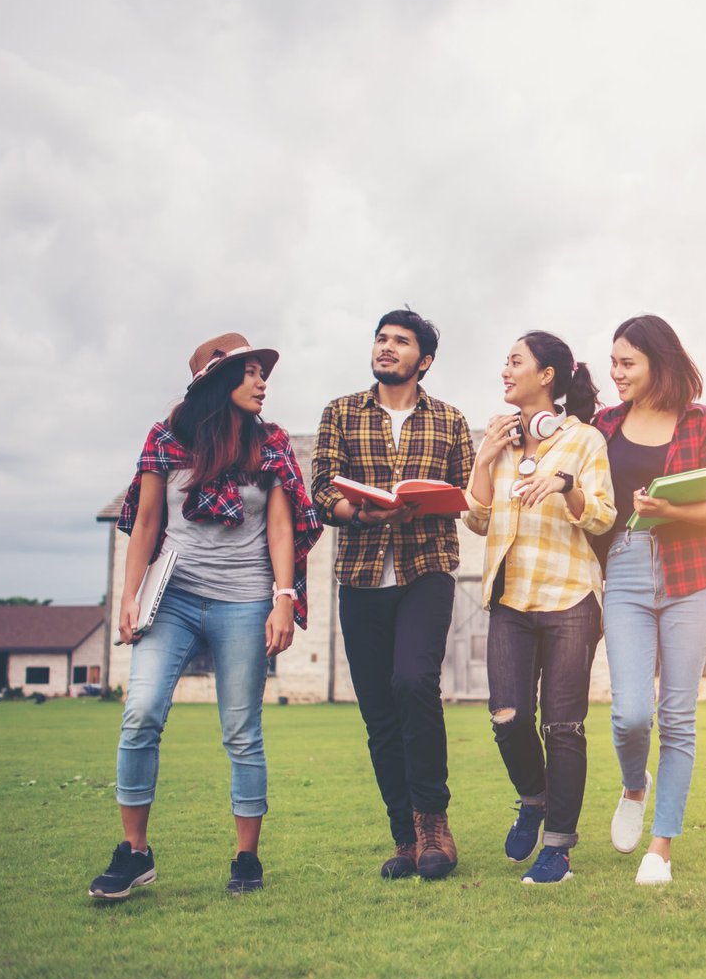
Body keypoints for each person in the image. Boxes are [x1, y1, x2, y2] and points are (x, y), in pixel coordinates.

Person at [91, 333, 322, 899]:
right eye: (249, 373)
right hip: (172, 595)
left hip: (244, 598)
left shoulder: (270, 443)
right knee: (141, 712)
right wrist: (130, 595)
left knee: (242, 731)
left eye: (263, 373)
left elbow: (280, 526)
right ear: (217, 382)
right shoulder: (168, 438)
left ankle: (246, 859)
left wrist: (283, 597)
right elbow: (146, 522)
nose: (262, 381)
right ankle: (135, 853)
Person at [312, 309, 475, 881]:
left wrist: (438, 500)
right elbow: (319, 490)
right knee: (379, 712)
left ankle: (435, 822)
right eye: (381, 339)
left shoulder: (451, 420)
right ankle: (405, 838)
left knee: (413, 681)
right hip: (361, 575)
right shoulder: (339, 413)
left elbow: (468, 495)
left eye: (400, 342)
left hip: (427, 568)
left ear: (423, 360)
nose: (386, 348)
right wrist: (357, 512)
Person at [591, 315, 706, 886]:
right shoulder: (603, 424)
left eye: (628, 363)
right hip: (624, 570)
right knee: (631, 713)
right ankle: (635, 784)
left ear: (659, 361)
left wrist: (669, 510)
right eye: (613, 363)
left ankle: (661, 846)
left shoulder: (702, 421)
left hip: (692, 573)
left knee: (677, 716)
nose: (617, 373)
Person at [466, 332, 615, 884]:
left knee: (564, 726)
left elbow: (601, 516)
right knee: (506, 718)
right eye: (504, 361)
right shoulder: (499, 438)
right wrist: (484, 456)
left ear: (547, 375)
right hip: (509, 597)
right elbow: (477, 518)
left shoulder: (584, 441)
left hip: (569, 597)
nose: (505, 370)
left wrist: (565, 485)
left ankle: (558, 848)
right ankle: (533, 799)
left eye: (515, 361)